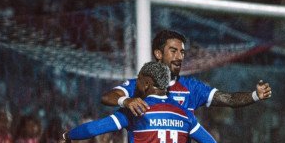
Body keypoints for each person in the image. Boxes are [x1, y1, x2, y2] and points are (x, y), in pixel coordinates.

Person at [56, 62, 217, 143]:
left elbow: (92, 129)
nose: (135, 84)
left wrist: (67, 136)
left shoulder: (136, 110)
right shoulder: (184, 114)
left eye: (138, 80)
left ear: (146, 84)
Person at [101, 29, 272, 117]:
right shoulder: (142, 85)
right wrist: (127, 100)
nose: (179, 57)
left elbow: (229, 99)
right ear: (158, 54)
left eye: (182, 52)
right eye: (173, 51)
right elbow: (108, 97)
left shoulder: (192, 88)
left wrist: (255, 95)